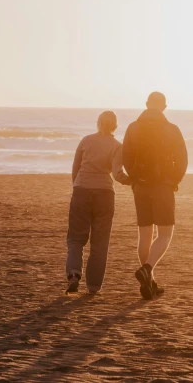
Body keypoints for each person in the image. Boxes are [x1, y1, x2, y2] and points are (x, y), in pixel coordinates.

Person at [122, 92, 188, 300]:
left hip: (140, 187)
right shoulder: (171, 129)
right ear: (164, 107)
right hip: (162, 186)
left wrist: (135, 178)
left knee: (145, 236)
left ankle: (149, 283)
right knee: (165, 234)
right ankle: (147, 269)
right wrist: (173, 180)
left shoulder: (133, 128)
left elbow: (126, 157)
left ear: (147, 104)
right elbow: (182, 160)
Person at [65, 111, 130, 295]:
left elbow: (75, 168)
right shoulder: (117, 146)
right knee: (100, 241)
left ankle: (73, 274)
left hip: (81, 191)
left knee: (76, 238)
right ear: (115, 125)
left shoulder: (86, 141)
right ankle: (93, 287)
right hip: (104, 194)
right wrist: (132, 180)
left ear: (98, 123)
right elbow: (118, 174)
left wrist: (77, 186)